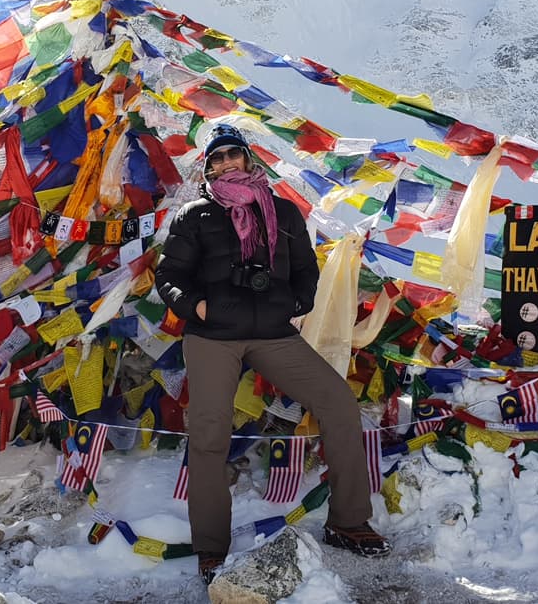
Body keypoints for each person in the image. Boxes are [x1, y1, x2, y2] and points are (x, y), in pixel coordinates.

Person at [155, 124, 391, 584]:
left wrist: (297, 302)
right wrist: (197, 306)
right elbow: (170, 276)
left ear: (248, 159)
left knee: (338, 403)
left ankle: (347, 520)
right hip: (213, 335)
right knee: (208, 433)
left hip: (273, 332)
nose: (225, 163)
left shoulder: (282, 212)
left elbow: (306, 269)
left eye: (232, 154)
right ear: (208, 168)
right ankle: (211, 546)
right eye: (216, 158)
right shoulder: (194, 215)